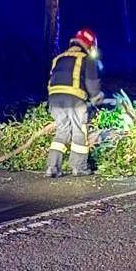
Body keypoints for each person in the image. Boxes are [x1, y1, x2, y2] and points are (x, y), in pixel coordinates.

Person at [45, 28, 103, 177]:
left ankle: (52, 168)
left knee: (62, 131)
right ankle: (79, 168)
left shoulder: (59, 57)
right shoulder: (86, 58)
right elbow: (91, 82)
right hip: (74, 99)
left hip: (54, 99)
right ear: (90, 45)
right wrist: (96, 97)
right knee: (79, 131)